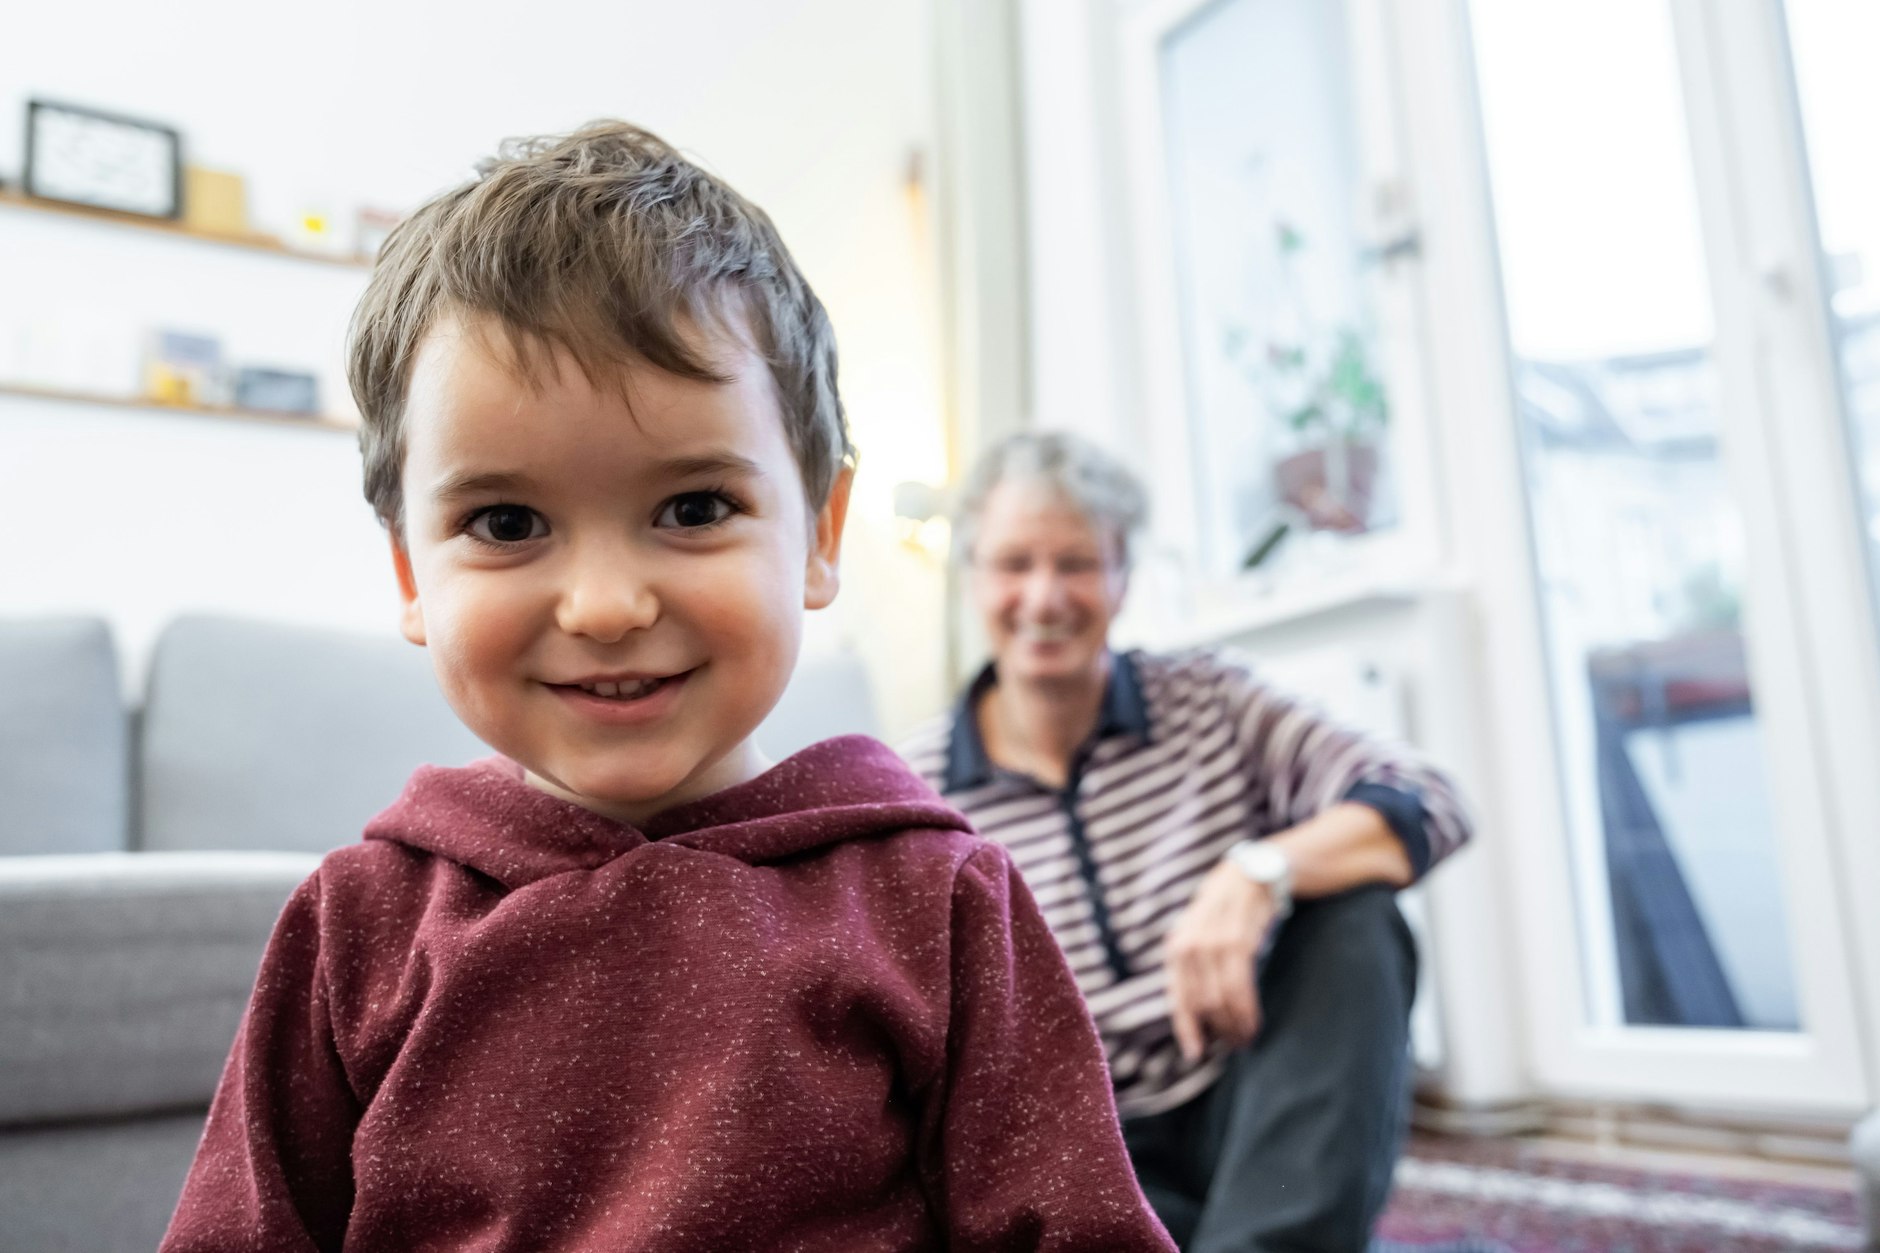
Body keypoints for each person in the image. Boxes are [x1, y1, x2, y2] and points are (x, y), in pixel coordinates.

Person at [161, 125, 1174, 1253]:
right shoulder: (357, 924)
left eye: (692, 508)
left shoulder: (935, 900)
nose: (603, 604)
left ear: (818, 535)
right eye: (505, 523)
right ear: (411, 571)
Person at [900, 432, 1476, 1252]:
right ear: (970, 578)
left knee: (1355, 917)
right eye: (1013, 563)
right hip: (1086, 1156)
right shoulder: (917, 789)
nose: (1044, 594)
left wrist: (1257, 870)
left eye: (1077, 562)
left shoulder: (1210, 701)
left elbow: (1431, 798)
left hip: (1260, 1114)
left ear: (1123, 575)